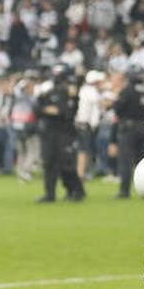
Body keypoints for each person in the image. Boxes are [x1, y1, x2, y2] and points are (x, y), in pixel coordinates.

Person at [35, 63, 85, 203]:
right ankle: (49, 194)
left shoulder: (71, 92)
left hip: (65, 133)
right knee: (49, 163)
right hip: (50, 133)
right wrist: (51, 110)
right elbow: (38, 109)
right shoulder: (49, 92)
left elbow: (66, 113)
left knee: (66, 163)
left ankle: (76, 190)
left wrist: (51, 111)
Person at [111, 63, 144, 199]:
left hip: (129, 128)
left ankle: (124, 191)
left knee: (126, 161)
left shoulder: (127, 90)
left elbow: (117, 108)